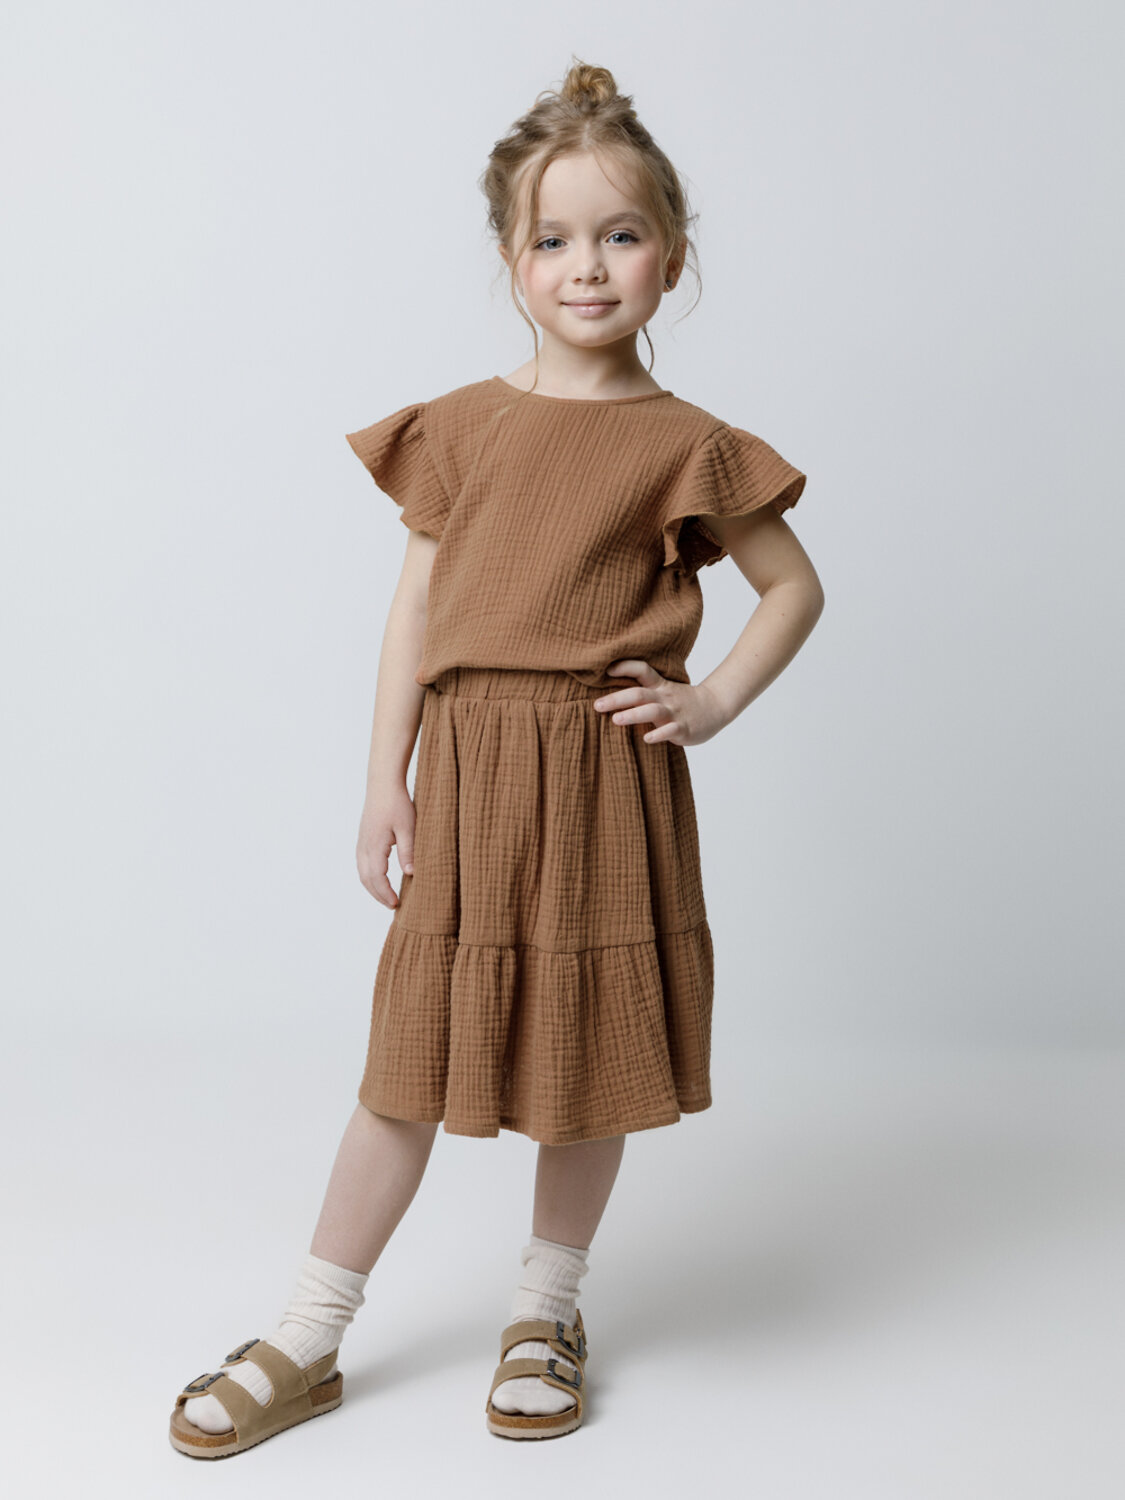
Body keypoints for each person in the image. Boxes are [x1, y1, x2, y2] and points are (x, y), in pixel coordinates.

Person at [168, 56, 824, 1456]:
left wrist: (709, 702)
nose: (587, 267)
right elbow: (414, 613)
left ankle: (546, 1307)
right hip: (469, 775)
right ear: (511, 261)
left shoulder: (690, 446)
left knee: (588, 1045)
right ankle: (308, 1330)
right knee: (407, 1057)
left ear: (672, 257)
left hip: (603, 782)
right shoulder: (458, 428)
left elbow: (794, 587)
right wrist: (383, 781)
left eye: (620, 235)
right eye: (553, 239)